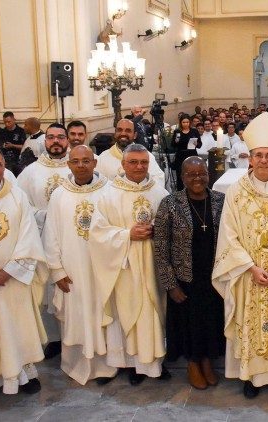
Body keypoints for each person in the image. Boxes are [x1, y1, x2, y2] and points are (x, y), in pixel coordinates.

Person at [213, 112, 268, 399]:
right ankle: (250, 376)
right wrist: (251, 267)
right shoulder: (236, 192)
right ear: (249, 158)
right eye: (258, 155)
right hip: (248, 273)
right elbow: (228, 235)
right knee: (250, 322)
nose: (264, 160)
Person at [0, 145, 47, 407]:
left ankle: (23, 376)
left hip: (12, 280)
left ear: (4, 166)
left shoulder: (17, 196)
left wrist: (6, 273)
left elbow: (29, 237)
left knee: (17, 329)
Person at [89, 143, 170, 385]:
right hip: (124, 267)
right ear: (123, 165)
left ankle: (154, 364)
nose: (139, 167)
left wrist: (158, 229)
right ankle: (131, 364)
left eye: (143, 162)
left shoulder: (159, 193)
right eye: (133, 162)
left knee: (153, 314)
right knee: (128, 313)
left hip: (153, 266)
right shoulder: (108, 195)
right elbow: (97, 234)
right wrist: (127, 235)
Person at [42, 145, 116, 385]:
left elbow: (116, 230)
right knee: (76, 316)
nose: (81, 165)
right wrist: (56, 270)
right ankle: (75, 363)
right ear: (69, 164)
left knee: (104, 314)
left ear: (95, 163)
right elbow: (50, 234)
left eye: (86, 161)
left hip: (102, 268)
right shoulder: (59, 195)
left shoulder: (109, 191)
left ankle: (106, 366)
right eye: (76, 161)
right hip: (71, 270)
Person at [154, 157, 225, 390]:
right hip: (185, 278)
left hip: (213, 276)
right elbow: (161, 246)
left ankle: (206, 361)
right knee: (191, 323)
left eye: (202, 173)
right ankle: (193, 363)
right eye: (191, 174)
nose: (197, 178)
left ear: (208, 174)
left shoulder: (220, 201)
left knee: (210, 320)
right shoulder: (170, 203)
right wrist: (170, 284)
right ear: (182, 177)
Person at [16, 123, 72, 359]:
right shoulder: (31, 172)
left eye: (60, 137)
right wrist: (43, 215)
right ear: (44, 141)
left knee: (72, 285)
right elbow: (19, 205)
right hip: (41, 237)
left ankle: (72, 334)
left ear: (67, 140)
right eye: (51, 138)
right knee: (46, 286)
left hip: (72, 241)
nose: (56, 141)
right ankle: (54, 339)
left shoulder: (77, 166)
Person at [95, 119, 165, 187]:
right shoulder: (103, 158)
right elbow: (98, 184)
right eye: (119, 130)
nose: (123, 133)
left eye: (128, 131)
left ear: (135, 135)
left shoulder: (146, 156)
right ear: (115, 134)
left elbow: (158, 179)